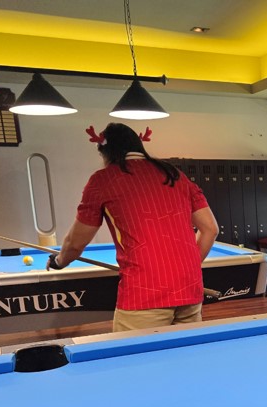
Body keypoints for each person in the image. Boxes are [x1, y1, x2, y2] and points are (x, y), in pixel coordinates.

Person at [48, 123, 219, 332]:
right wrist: (186, 268)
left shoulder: (102, 180)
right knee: (184, 351)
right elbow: (210, 229)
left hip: (144, 293)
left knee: (136, 353)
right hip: (189, 288)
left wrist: (58, 261)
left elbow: (75, 244)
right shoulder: (175, 174)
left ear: (107, 152)